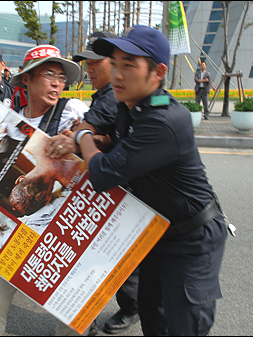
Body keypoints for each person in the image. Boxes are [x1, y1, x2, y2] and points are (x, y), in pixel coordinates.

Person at [65, 25, 229, 336]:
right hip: (158, 232)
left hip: (192, 240)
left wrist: (82, 136)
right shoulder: (134, 108)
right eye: (114, 63)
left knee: (185, 327)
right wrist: (97, 144)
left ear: (158, 72)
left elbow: (103, 174)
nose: (117, 73)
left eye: (129, 64)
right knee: (154, 320)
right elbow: (122, 147)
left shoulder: (164, 120)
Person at [0, 44, 92, 336]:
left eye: (61, 77)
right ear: (26, 79)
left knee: (68, 290)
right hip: (20, 225)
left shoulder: (73, 112)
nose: (56, 82)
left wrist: (79, 138)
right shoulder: (10, 120)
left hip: (64, 222)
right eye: (48, 74)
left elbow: (100, 140)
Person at [71, 30, 140, 335]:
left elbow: (90, 127)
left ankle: (132, 305)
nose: (90, 69)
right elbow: (111, 134)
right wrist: (101, 138)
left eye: (95, 62)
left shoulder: (116, 95)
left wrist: (83, 136)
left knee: (121, 249)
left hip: (126, 185)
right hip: (120, 180)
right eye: (87, 64)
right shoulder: (109, 95)